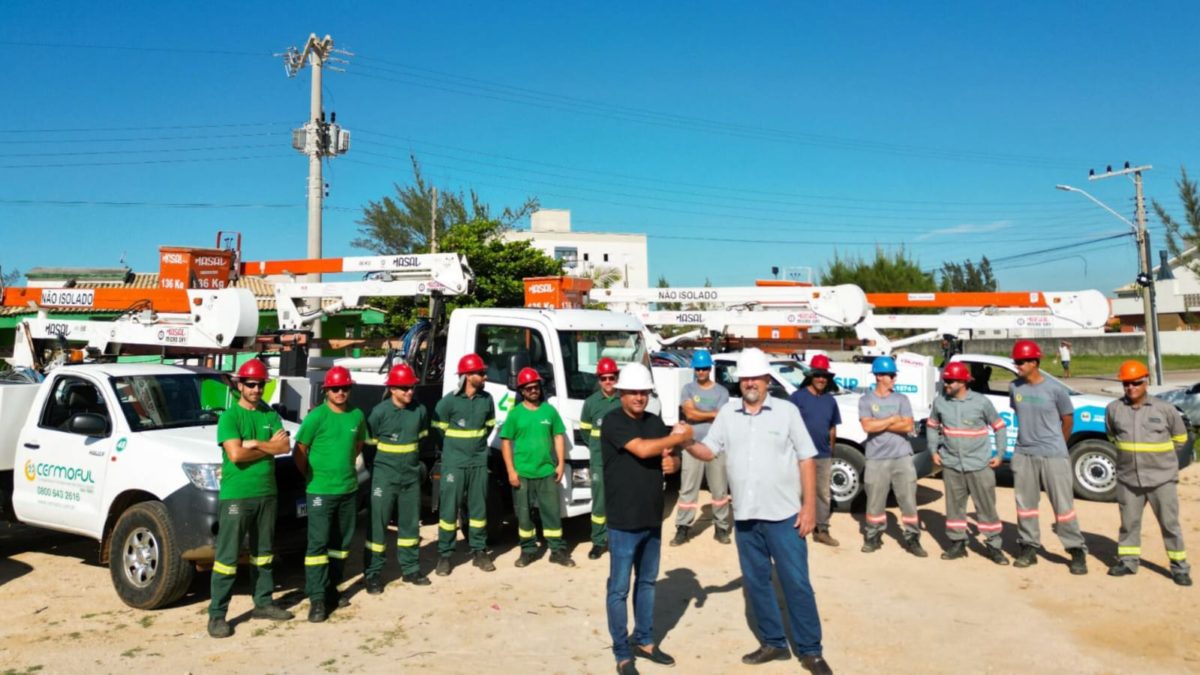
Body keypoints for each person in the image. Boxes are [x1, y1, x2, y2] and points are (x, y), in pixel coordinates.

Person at [683, 349, 832, 675]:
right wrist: (685, 442)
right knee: (758, 582)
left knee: (797, 583)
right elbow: (709, 451)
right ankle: (774, 642)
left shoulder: (787, 411)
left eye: (756, 377)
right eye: (745, 377)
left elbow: (807, 458)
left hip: (784, 516)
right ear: (740, 381)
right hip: (747, 517)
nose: (750, 382)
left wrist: (809, 508)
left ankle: (811, 651)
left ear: (766, 380)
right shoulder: (727, 414)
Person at [601, 362, 691, 675]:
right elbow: (641, 450)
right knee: (619, 588)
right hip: (623, 520)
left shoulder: (654, 422)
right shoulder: (612, 422)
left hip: (652, 516)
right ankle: (622, 652)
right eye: (633, 392)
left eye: (643, 392)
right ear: (621, 393)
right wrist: (676, 439)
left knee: (648, 582)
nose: (639, 397)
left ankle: (645, 640)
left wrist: (675, 463)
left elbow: (664, 455)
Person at [207, 359, 294, 638]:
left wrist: (255, 444)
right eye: (251, 384)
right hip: (237, 496)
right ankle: (217, 615)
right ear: (240, 385)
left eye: (261, 385)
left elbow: (285, 446)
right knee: (227, 558)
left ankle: (264, 603)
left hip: (267, 494)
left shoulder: (269, 414)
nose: (257, 389)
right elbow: (235, 455)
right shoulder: (230, 417)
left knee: (264, 553)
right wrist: (269, 448)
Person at [1105, 360, 1191, 586]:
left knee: (1170, 525)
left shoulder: (1165, 410)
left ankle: (1179, 567)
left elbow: (1180, 439)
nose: (1130, 387)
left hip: (1161, 479)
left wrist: (1162, 461)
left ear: (1146, 382)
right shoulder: (1114, 409)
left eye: (1135, 383)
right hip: (1128, 479)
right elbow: (1112, 436)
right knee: (1128, 524)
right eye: (1126, 384)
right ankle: (1128, 561)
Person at [294, 366, 367, 622]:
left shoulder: (357, 416)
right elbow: (300, 451)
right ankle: (316, 599)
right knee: (318, 545)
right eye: (335, 389)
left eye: (345, 388)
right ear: (326, 391)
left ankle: (331, 590)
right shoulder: (317, 417)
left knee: (340, 545)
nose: (340, 393)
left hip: (347, 490)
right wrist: (311, 477)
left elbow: (358, 446)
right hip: (320, 492)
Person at [1008, 340, 1088, 574]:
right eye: (1016, 362)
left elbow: (1068, 421)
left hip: (1053, 455)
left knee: (1063, 506)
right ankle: (1028, 547)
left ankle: (1076, 550)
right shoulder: (1015, 388)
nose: (1018, 366)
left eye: (1022, 362)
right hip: (1024, 454)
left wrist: (1055, 445)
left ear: (1035, 362)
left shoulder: (1055, 390)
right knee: (1025, 506)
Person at [926, 362, 1009, 564]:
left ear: (963, 382)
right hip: (952, 465)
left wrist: (1000, 454)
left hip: (979, 465)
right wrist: (933, 450)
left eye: (950, 381)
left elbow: (999, 427)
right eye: (945, 380)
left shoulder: (981, 402)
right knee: (954, 507)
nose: (946, 384)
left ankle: (993, 545)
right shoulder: (940, 402)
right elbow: (932, 426)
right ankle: (957, 543)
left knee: (986, 507)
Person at [363, 363, 431, 593]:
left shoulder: (420, 411)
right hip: (384, 477)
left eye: (411, 387)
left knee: (410, 525)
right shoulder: (379, 413)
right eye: (404, 388)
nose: (409, 392)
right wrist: (379, 473)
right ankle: (373, 574)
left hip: (410, 477)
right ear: (392, 389)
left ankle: (411, 569)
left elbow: (421, 439)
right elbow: (369, 446)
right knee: (377, 526)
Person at [500, 367, 574, 568]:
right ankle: (528, 551)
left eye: (536, 387)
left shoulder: (549, 411)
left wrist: (560, 463)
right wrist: (511, 471)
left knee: (552, 512)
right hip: (522, 473)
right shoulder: (515, 414)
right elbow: (505, 442)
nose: (534, 390)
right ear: (522, 391)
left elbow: (558, 436)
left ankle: (557, 550)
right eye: (529, 388)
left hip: (546, 472)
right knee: (524, 516)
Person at [432, 353, 497, 576]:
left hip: (478, 462)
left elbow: (488, 428)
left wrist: (474, 449)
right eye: (480, 373)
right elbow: (438, 431)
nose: (484, 376)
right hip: (454, 464)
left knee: (479, 509)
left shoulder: (486, 400)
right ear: (468, 376)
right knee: (449, 509)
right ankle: (445, 555)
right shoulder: (448, 402)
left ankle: (479, 552)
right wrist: (455, 451)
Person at [858, 356, 925, 557]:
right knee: (875, 501)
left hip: (902, 458)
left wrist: (881, 423)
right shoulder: (866, 400)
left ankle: (912, 538)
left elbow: (908, 425)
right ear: (879, 376)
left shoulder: (901, 399)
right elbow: (867, 426)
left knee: (908, 500)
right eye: (891, 375)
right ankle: (873, 535)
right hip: (876, 459)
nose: (894, 378)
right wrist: (893, 419)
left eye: (894, 375)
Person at [672, 350, 732, 546]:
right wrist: (712, 413)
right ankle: (683, 527)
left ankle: (721, 527)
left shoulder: (722, 391)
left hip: (717, 447)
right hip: (691, 445)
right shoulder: (687, 389)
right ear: (694, 370)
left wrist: (698, 414)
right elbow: (690, 413)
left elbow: (717, 417)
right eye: (698, 369)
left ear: (710, 369)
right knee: (688, 488)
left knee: (719, 490)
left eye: (704, 368)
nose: (701, 372)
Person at [789, 354, 842, 546]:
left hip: (822, 455)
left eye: (824, 376)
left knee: (822, 493)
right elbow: (788, 425)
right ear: (811, 375)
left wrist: (831, 449)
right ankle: (793, 528)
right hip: (799, 455)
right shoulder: (797, 397)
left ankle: (822, 530)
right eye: (818, 375)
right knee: (796, 491)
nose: (821, 379)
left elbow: (832, 427)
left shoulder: (830, 401)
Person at [579, 357, 622, 560]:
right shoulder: (590, 403)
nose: (608, 382)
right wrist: (598, 450)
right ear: (598, 380)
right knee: (599, 504)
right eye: (603, 378)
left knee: (620, 502)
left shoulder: (624, 400)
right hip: (599, 461)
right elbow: (586, 432)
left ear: (616, 378)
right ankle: (598, 541)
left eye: (611, 377)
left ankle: (617, 541)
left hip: (621, 461)